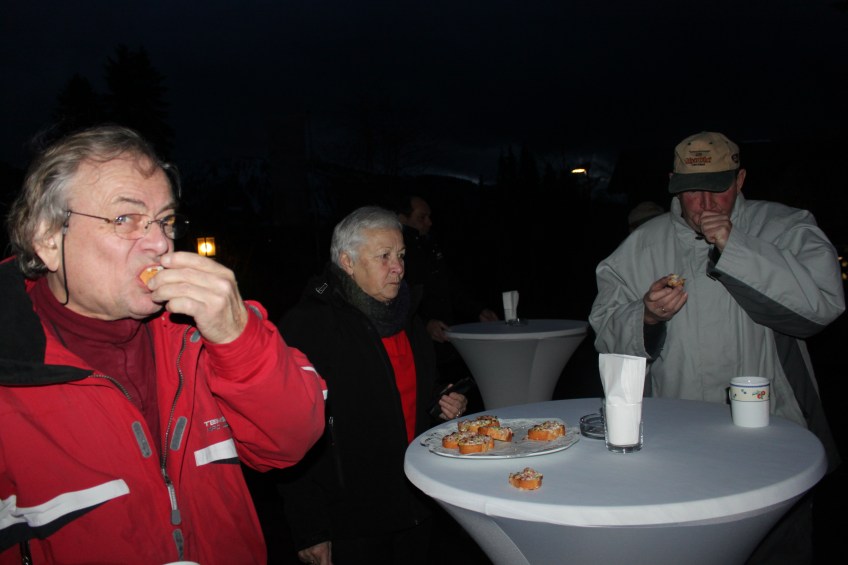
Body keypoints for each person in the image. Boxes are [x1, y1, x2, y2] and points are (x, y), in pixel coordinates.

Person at [0, 125, 327, 565]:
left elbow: (291, 442)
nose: (160, 242)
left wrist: (237, 338)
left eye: (165, 221)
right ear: (47, 239)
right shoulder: (12, 372)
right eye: (125, 219)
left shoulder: (197, 333)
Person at [589, 131, 845, 563]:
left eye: (717, 188)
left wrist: (736, 248)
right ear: (673, 185)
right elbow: (604, 333)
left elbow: (821, 307)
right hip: (677, 443)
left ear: (740, 180)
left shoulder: (785, 227)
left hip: (773, 438)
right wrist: (645, 317)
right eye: (691, 190)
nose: (704, 204)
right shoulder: (641, 246)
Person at [275, 205, 468, 565]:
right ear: (347, 262)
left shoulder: (408, 319)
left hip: (416, 503)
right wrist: (309, 526)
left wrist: (441, 402)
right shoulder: (311, 326)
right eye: (384, 256)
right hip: (352, 520)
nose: (398, 267)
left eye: (401, 255)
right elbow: (286, 430)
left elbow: (409, 394)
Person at [395, 194, 497, 396]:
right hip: (418, 345)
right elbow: (396, 300)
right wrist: (424, 324)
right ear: (402, 218)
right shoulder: (399, 254)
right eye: (421, 217)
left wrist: (478, 310)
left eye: (429, 217)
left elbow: (450, 285)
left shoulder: (429, 245)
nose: (429, 222)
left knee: (456, 394)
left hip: (446, 338)